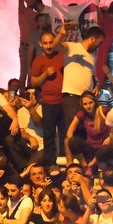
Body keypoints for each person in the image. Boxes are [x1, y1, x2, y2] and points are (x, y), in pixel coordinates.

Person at [51, 24, 105, 129]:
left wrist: (96, 86)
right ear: (93, 39)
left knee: (87, 130)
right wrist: (61, 34)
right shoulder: (73, 47)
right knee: (72, 129)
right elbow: (55, 46)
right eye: (100, 42)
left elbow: (91, 74)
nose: (100, 45)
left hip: (87, 98)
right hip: (72, 97)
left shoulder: (93, 55)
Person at [30, 31, 65, 166]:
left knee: (64, 133)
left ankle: (64, 161)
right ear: (41, 44)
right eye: (45, 43)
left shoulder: (62, 56)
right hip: (48, 102)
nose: (49, 46)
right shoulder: (38, 60)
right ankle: (51, 164)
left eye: (51, 42)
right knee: (49, 134)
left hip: (63, 101)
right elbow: (34, 82)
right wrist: (45, 74)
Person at [17, 0, 45, 91]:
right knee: (23, 72)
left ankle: (31, 93)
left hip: (35, 47)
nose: (30, 0)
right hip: (24, 46)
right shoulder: (23, 11)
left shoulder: (38, 15)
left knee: (33, 72)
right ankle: (22, 93)